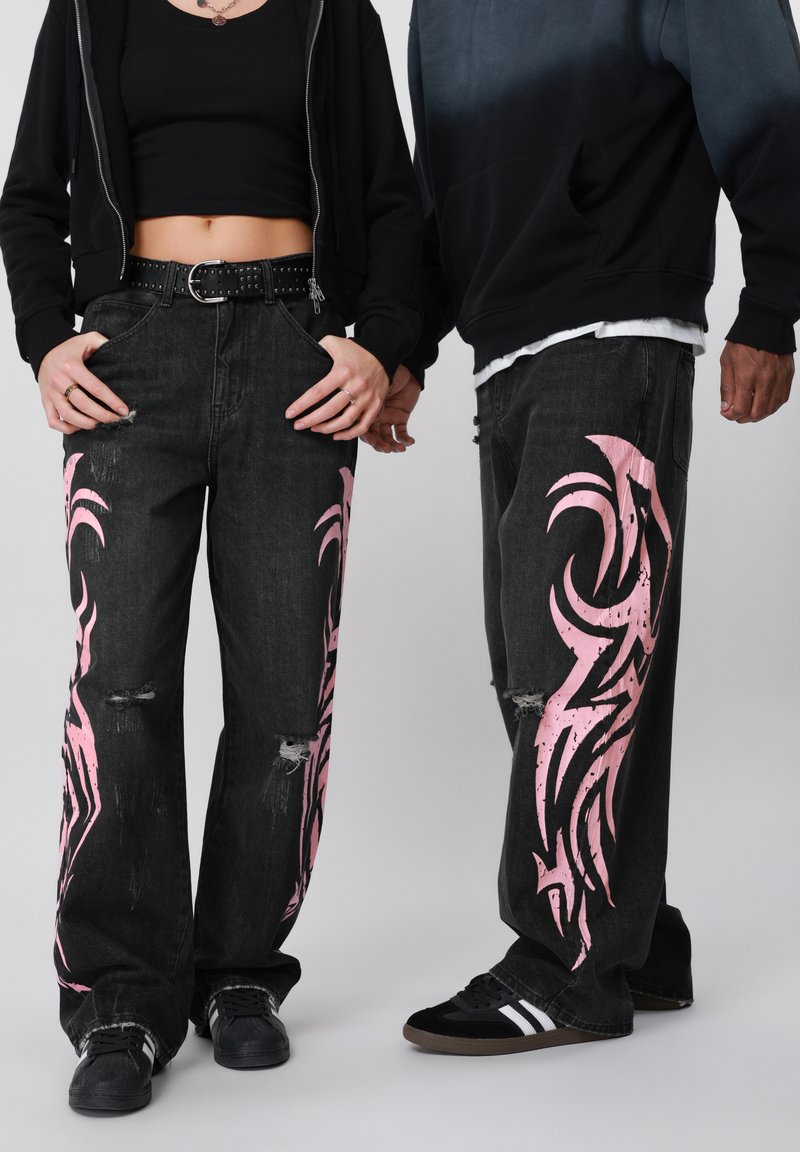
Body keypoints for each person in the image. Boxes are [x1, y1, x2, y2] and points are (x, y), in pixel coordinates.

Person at [0, 0, 421, 1113]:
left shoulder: (332, 11)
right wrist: (45, 342)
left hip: (295, 351)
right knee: (119, 683)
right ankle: (120, 997)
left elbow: (393, 197)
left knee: (284, 688)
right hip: (132, 349)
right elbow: (29, 196)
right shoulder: (90, 9)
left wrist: (379, 344)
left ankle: (239, 971)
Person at [371, 0, 799, 1055]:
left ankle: (564, 964)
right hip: (504, 351)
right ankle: (632, 931)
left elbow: (772, 107)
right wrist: (406, 346)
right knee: (535, 663)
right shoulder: (442, 13)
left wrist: (771, 304)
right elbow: (442, 188)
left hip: (616, 322)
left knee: (578, 662)